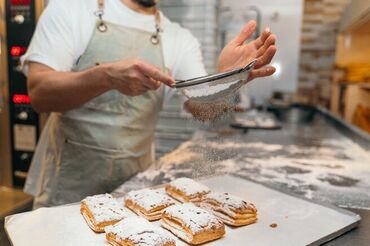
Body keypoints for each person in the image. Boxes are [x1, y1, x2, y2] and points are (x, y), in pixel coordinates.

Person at [22, 0, 277, 209]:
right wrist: (105, 77)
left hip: (133, 190)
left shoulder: (179, 38)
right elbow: (40, 95)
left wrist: (228, 80)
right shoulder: (71, 8)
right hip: (67, 187)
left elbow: (203, 110)